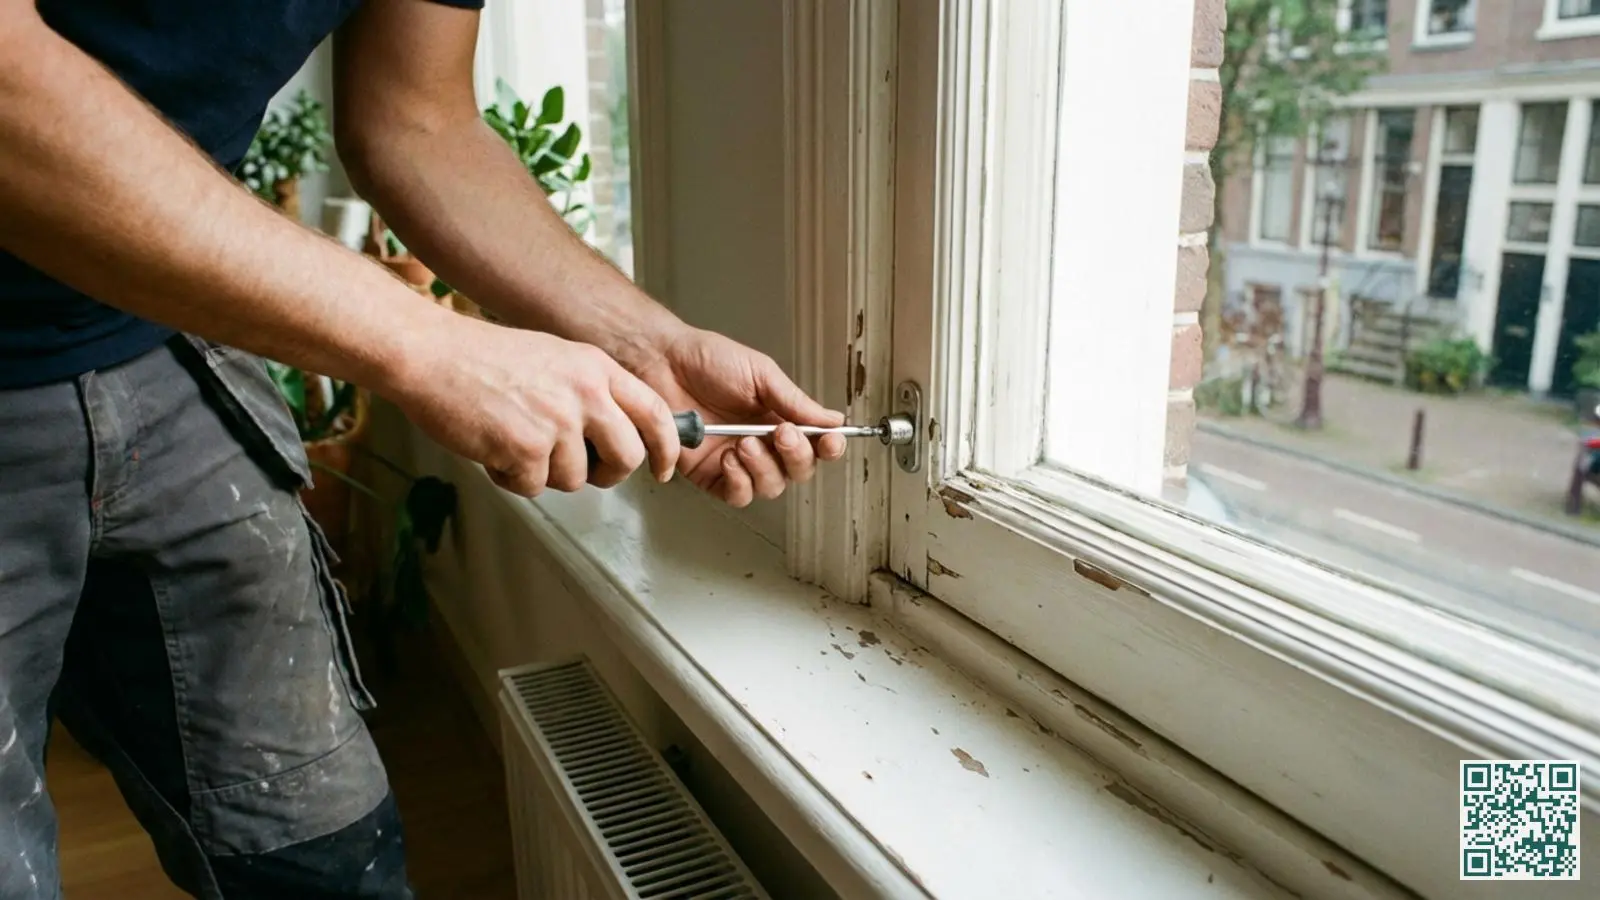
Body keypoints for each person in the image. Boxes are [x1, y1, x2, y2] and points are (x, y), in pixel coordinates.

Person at [0, 1, 847, 896]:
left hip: (158, 332)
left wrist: (646, 349)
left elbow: (416, 119)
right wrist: (432, 350)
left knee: (325, 857)